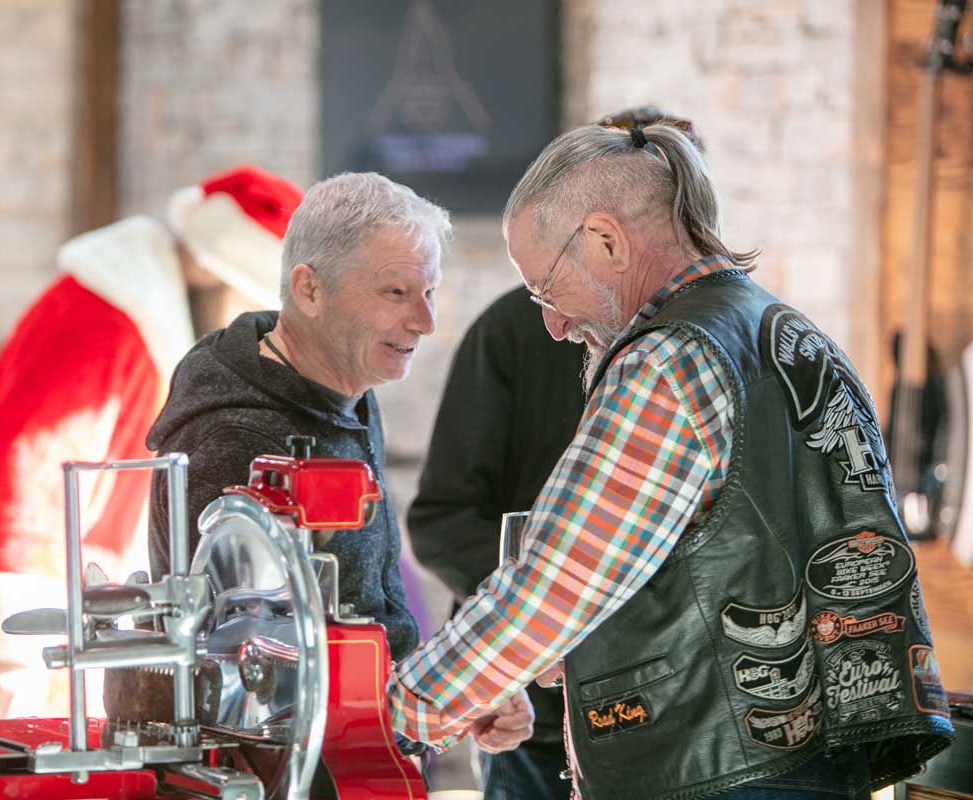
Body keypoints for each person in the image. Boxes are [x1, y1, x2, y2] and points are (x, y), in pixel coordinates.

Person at [389, 122, 954, 799]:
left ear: (605, 241)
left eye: (545, 289)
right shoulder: (797, 335)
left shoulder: (667, 363)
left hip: (714, 774)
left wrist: (399, 711)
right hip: (813, 766)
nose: (553, 324)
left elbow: (557, 582)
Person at [105, 172, 533, 753]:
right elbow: (257, 683)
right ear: (309, 290)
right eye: (395, 292)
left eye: (428, 292)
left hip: (364, 751)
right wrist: (444, 705)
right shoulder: (237, 437)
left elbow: (364, 619)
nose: (425, 321)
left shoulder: (344, 386)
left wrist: (460, 700)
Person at [0, 165, 303, 720]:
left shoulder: (132, 322)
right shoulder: (104, 323)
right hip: (10, 640)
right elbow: (23, 478)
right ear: (215, 270)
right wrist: (12, 660)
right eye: (246, 308)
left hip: (62, 626)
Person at [408, 106, 701, 800]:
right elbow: (443, 519)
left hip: (671, 717)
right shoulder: (512, 333)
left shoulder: (686, 350)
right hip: (534, 718)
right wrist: (549, 620)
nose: (557, 323)